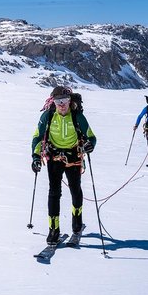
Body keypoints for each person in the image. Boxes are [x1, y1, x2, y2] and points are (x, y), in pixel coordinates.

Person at [30, 86, 97, 245]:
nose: (62, 104)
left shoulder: (77, 116)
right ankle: (54, 230)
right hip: (54, 157)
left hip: (74, 157)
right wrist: (36, 157)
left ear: (69, 100)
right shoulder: (48, 115)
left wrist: (90, 145)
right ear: (53, 101)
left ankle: (77, 221)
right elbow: (38, 137)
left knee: (75, 189)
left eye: (65, 100)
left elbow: (91, 136)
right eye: (58, 101)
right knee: (54, 192)